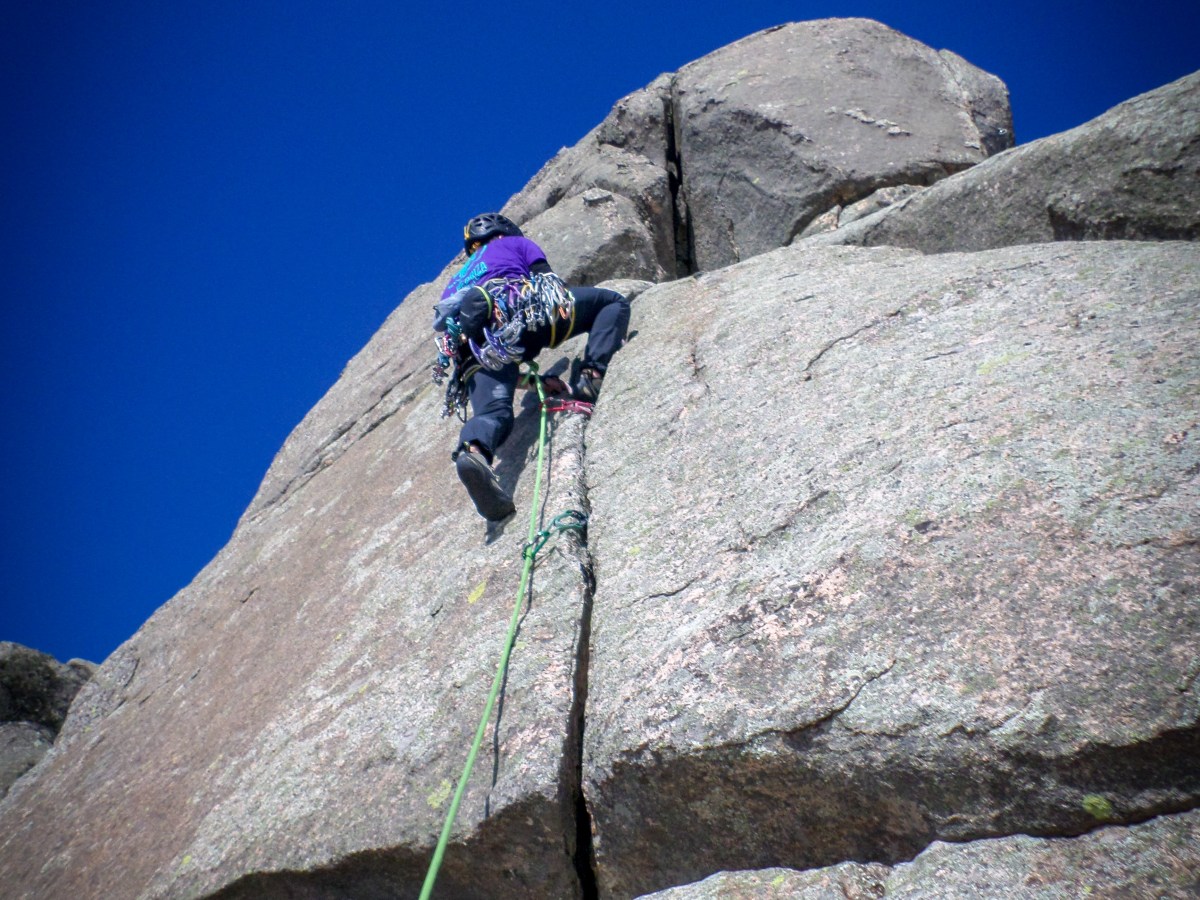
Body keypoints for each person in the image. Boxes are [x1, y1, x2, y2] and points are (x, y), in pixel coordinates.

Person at [432, 212, 630, 521]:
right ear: (504, 231)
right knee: (611, 303)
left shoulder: (455, 282)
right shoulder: (515, 243)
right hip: (520, 311)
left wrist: (532, 381)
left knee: (493, 414)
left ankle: (473, 453)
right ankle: (591, 376)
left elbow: (496, 357)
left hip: (473, 350)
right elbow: (548, 282)